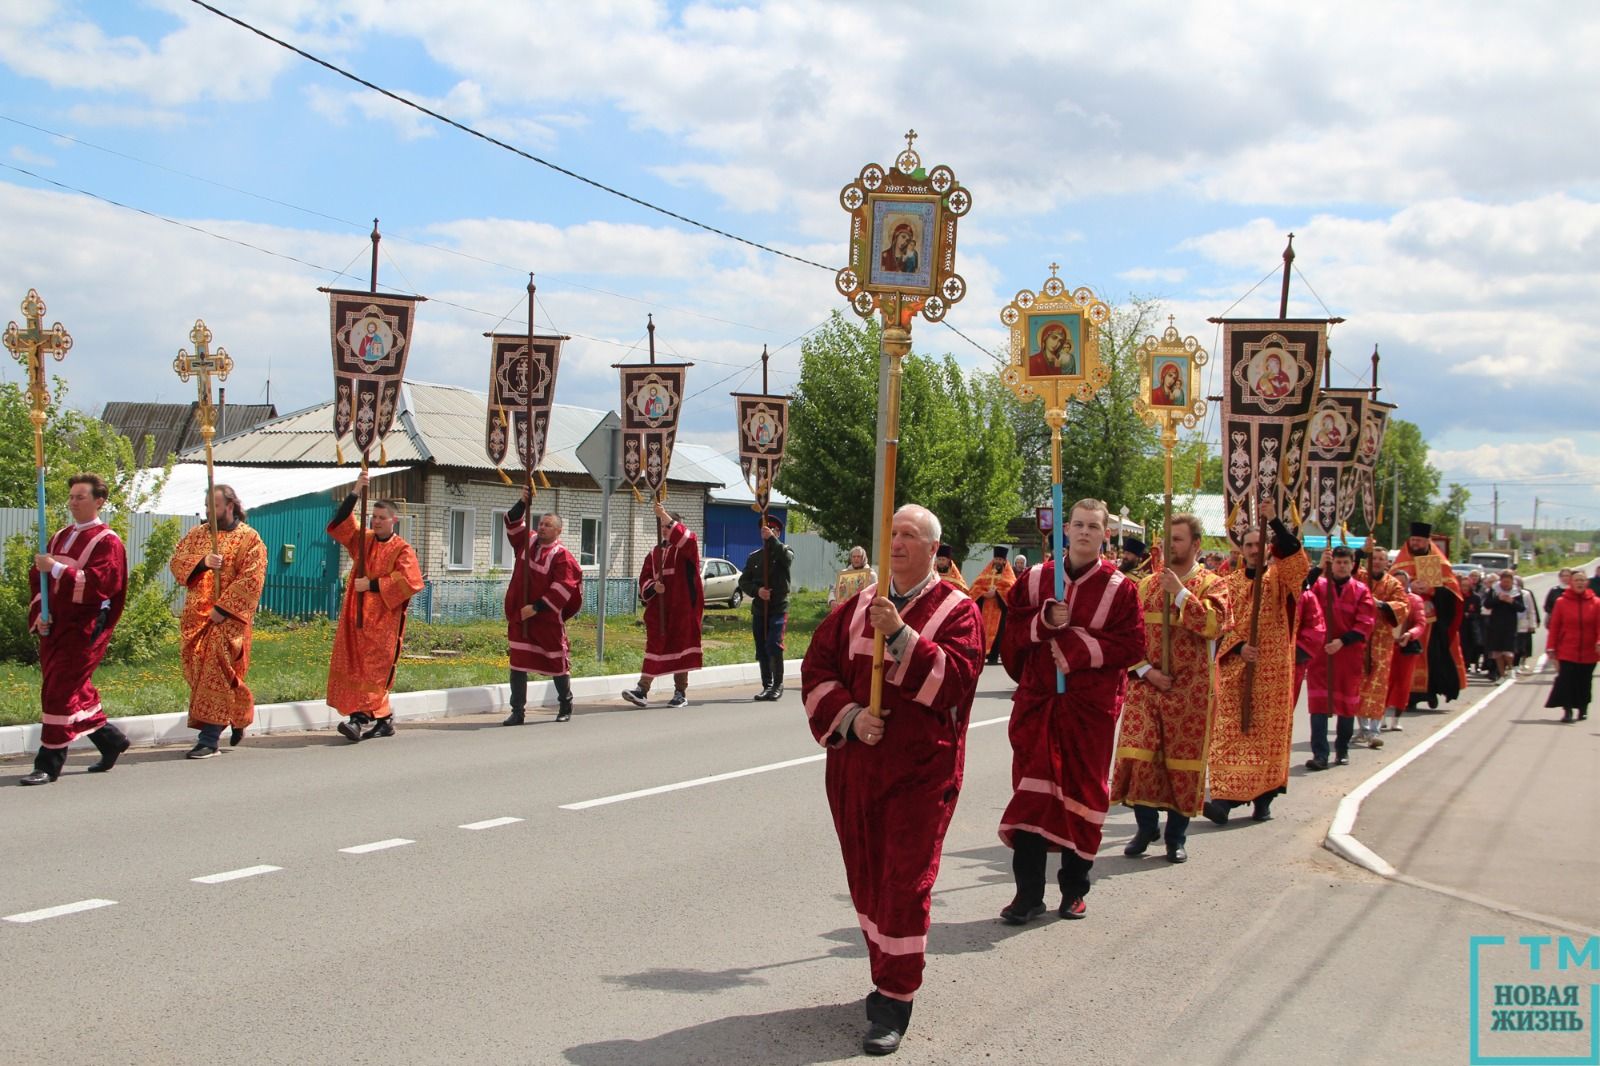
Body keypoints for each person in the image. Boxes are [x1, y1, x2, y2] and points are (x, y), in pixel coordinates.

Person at [800, 504, 983, 1056]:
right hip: (858, 770)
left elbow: (955, 683)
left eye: (910, 536)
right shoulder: (855, 607)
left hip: (920, 775)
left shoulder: (958, 609)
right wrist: (852, 717)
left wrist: (900, 635)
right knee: (870, 877)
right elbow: (817, 669)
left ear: (933, 549)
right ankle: (886, 966)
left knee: (906, 882)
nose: (898, 543)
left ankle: (894, 998)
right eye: (892, 534)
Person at [998, 499, 1144, 922]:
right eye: (1077, 525)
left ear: (1105, 534)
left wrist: (1080, 646)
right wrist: (1043, 624)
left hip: (1089, 710)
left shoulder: (1121, 589)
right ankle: (1028, 894)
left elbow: (1133, 646)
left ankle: (1074, 890)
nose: (1084, 533)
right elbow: (1010, 638)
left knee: (1082, 796)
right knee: (1031, 797)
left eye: (1092, 527)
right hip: (1040, 704)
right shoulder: (1035, 579)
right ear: (1066, 529)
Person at [1110, 513, 1229, 863]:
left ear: (1196, 545)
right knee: (1139, 755)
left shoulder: (1212, 584)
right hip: (1147, 687)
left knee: (1181, 765)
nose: (1170, 545)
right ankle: (1145, 827)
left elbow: (1215, 624)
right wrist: (1146, 670)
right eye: (1168, 538)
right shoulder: (1145, 586)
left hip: (1190, 690)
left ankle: (1175, 837)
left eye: (1178, 539)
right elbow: (1127, 636)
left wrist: (1179, 594)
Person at [18, 473, 131, 786]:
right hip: (54, 626)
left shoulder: (107, 541)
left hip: (85, 628)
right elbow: (38, 582)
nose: (72, 503)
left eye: (80, 497)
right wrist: (39, 613)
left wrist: (55, 567)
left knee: (59, 690)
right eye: (70, 497)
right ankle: (111, 740)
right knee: (72, 689)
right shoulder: (59, 536)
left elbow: (101, 585)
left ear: (99, 501)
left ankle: (49, 762)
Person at [1203, 497, 1309, 825]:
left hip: (1273, 673)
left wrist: (1275, 522)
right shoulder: (1228, 584)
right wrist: (1236, 649)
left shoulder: (1279, 579)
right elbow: (1217, 626)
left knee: (1266, 737)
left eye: (1256, 544)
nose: (1252, 549)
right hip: (1235, 671)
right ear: (1241, 550)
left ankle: (1263, 798)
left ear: (1265, 548)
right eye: (1247, 544)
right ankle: (1223, 798)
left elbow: (1298, 562)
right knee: (1228, 731)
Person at [325, 474, 426, 740]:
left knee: (372, 671)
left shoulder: (402, 549)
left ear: (394, 520)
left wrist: (370, 585)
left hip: (382, 622)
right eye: (374, 517)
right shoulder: (364, 540)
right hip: (354, 617)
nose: (377, 521)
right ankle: (384, 720)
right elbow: (340, 523)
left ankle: (358, 720)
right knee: (353, 667)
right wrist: (356, 491)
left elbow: (410, 581)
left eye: (383, 517)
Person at [170, 485, 266, 760]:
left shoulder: (250, 539)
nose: (209, 511)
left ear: (230, 506)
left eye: (214, 505)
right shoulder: (198, 535)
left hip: (228, 620)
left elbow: (252, 579)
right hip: (196, 619)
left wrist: (223, 609)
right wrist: (202, 562)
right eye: (206, 505)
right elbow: (177, 563)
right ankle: (236, 713)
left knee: (218, 671)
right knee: (199, 674)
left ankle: (208, 739)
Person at [500, 498, 583, 725]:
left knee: (556, 663)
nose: (542, 527)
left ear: (558, 530)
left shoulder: (561, 555)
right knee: (518, 663)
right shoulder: (527, 542)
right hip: (521, 617)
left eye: (547, 525)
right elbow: (512, 521)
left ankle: (565, 703)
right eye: (541, 523)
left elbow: (564, 586)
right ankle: (518, 711)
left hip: (545, 618)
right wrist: (523, 501)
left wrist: (536, 608)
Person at [622, 498, 702, 709]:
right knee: (655, 647)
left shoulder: (687, 548)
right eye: (661, 527)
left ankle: (680, 692)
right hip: (660, 611)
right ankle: (642, 690)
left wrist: (665, 515)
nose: (664, 530)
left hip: (683, 609)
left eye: (668, 526)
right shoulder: (654, 552)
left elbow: (687, 539)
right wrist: (652, 587)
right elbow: (644, 579)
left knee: (680, 648)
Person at [1303, 546, 1376, 770]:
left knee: (1346, 706)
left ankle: (1342, 750)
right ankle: (1320, 755)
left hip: (1347, 656)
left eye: (1346, 562)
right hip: (1322, 655)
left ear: (1353, 564)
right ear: (1331, 563)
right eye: (1338, 562)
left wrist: (1342, 642)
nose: (1342, 566)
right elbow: (1302, 589)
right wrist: (1317, 567)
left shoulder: (1362, 590)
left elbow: (1365, 623)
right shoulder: (1320, 586)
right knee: (1318, 705)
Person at [1390, 522, 1465, 708]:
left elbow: (1452, 593)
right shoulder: (1401, 561)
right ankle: (1403, 695)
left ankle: (1430, 693)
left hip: (1431, 622)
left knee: (1431, 657)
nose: (1416, 543)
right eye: (1413, 540)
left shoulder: (1439, 562)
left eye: (1420, 540)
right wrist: (1409, 587)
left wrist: (1432, 590)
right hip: (1407, 619)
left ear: (1427, 541)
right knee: (1404, 656)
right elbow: (1389, 587)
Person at [1355, 544, 1410, 748]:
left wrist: (1383, 605)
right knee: (1359, 684)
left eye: (1381, 558)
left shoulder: (1393, 584)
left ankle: (1374, 729)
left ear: (1387, 562)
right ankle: (1362, 728)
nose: (1377, 561)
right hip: (1360, 638)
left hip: (1381, 640)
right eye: (1374, 557)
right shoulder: (1360, 577)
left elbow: (1403, 606)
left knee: (1377, 685)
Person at [739, 514, 793, 701]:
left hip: (778, 607)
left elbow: (787, 559)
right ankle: (767, 685)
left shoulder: (784, 551)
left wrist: (772, 540)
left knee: (774, 644)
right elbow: (743, 581)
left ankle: (778, 685)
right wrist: (757, 590)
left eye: (773, 530)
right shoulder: (755, 557)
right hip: (760, 609)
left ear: (778, 532)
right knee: (762, 648)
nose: (768, 532)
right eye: (765, 529)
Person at [1545, 574, 1600, 722]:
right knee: (1566, 680)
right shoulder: (1561, 602)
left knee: (1584, 681)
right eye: (1576, 580)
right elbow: (1555, 626)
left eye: (1582, 580)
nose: (1580, 583)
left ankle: (1583, 708)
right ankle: (1567, 711)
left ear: (1587, 583)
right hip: (1567, 650)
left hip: (1589, 651)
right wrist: (1551, 648)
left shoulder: (1596, 603)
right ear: (1571, 583)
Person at [1383, 572, 1428, 732]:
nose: (1400, 585)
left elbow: (1420, 623)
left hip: (1406, 648)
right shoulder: (1384, 599)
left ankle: (1396, 718)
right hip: (1384, 646)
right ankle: (1379, 716)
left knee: (1403, 683)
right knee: (1382, 682)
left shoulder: (1415, 600)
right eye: (1397, 582)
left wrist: (1410, 634)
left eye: (1403, 582)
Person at [967, 547, 1015, 665]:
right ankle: (982, 655)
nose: (998, 561)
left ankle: (993, 656)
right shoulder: (986, 573)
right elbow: (976, 586)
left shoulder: (1008, 575)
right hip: (985, 607)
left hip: (999, 609)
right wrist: (983, 594)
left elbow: (1011, 589)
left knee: (999, 633)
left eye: (1000, 559)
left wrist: (997, 593)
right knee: (982, 630)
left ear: (1004, 561)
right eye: (996, 559)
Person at [1482, 569, 1523, 681]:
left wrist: (1511, 601)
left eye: (1508, 582)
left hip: (1510, 625)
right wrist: (1498, 599)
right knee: (1498, 652)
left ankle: (1511, 670)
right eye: (1504, 582)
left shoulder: (1517, 592)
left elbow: (1521, 608)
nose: (1506, 584)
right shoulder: (1494, 590)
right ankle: (1502, 674)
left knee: (1508, 652)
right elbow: (1487, 604)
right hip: (1495, 624)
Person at [1514, 576, 1539, 673]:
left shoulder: (1526, 594)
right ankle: (1514, 665)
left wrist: (1532, 624)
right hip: (1511, 623)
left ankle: (1519, 663)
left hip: (1523, 623)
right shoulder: (1508, 594)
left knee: (1521, 646)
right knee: (1513, 646)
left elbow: (1531, 610)